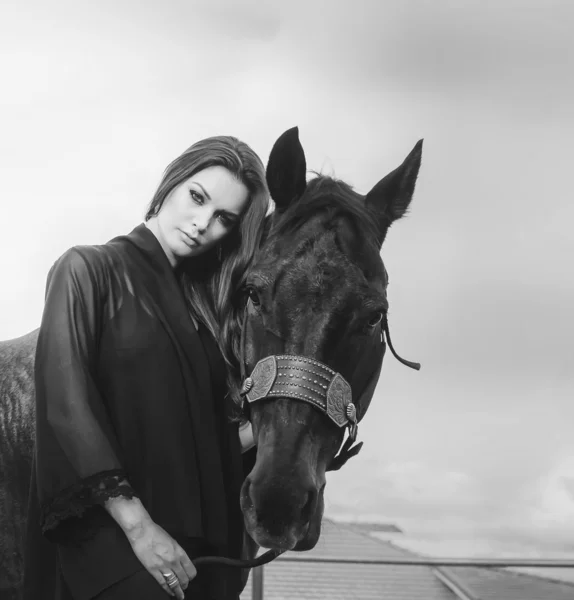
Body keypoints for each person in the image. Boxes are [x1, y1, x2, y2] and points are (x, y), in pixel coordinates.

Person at [22, 135, 270, 600]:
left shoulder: (209, 317)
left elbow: (208, 444)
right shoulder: (86, 269)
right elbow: (67, 407)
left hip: (198, 550)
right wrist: (139, 529)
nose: (202, 224)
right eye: (197, 198)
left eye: (224, 220)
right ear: (172, 183)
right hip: (111, 535)